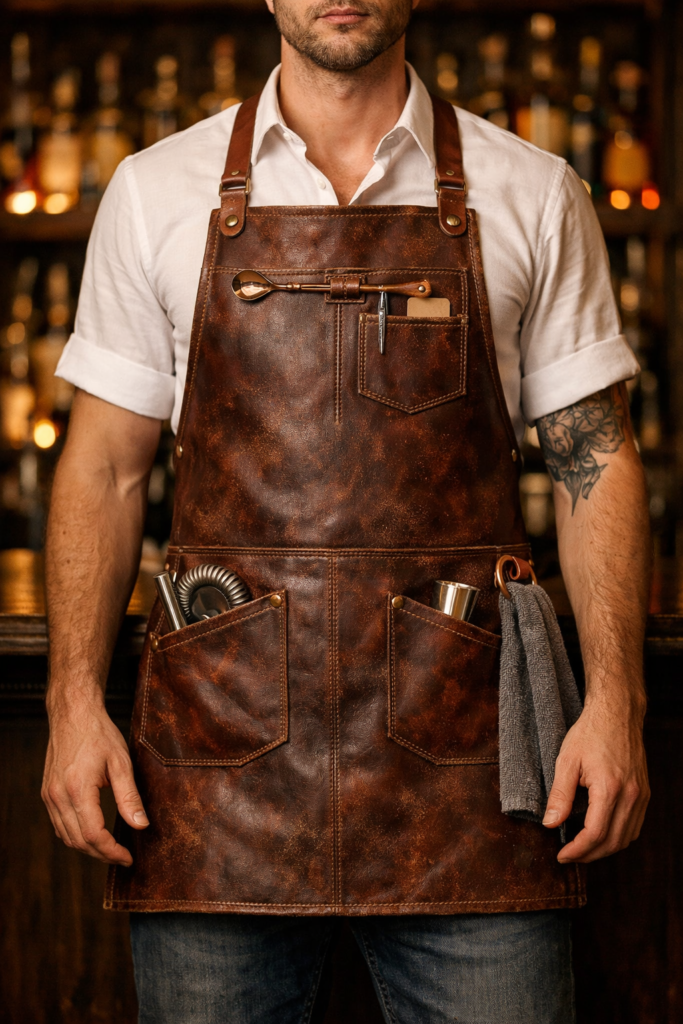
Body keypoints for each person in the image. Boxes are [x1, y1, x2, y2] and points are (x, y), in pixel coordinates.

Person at [42, 2, 650, 1021]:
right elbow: (102, 469)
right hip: (213, 770)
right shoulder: (154, 192)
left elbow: (592, 459)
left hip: (469, 775)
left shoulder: (532, 191)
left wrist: (615, 705)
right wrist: (71, 709)